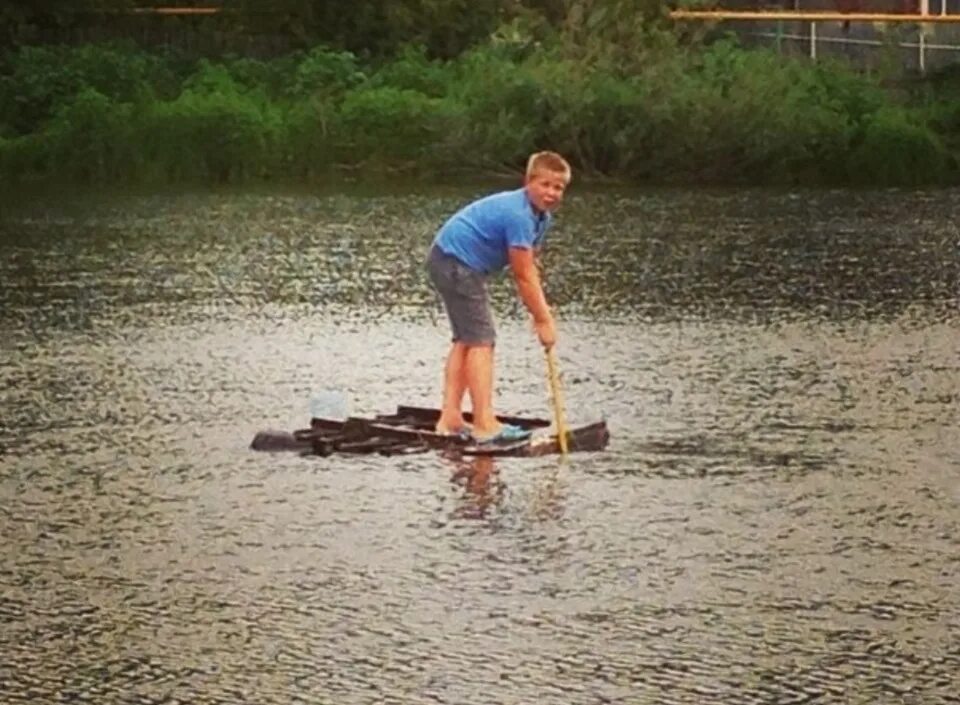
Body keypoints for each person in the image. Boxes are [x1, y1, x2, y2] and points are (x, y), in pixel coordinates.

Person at [426, 151, 571, 444]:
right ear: (529, 182)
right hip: (455, 262)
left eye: (559, 188)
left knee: (466, 339)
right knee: (482, 341)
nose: (552, 193)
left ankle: (451, 417)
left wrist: (542, 306)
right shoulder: (518, 215)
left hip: (453, 262)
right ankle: (484, 424)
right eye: (545, 185)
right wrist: (542, 320)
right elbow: (522, 276)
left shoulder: (541, 218)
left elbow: (531, 264)